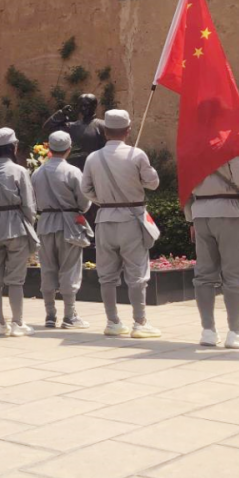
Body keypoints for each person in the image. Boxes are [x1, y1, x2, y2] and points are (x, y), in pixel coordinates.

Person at [81, 109, 161, 339]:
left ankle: (113, 322)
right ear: (128, 130)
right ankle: (140, 322)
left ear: (105, 131)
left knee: (106, 275)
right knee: (137, 274)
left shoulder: (93, 158)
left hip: (105, 219)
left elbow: (86, 189)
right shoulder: (137, 155)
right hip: (132, 218)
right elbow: (153, 183)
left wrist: (104, 201)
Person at [186, 156, 239, 349]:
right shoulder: (233, 147)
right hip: (231, 213)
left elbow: (184, 186)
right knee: (236, 274)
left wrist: (190, 218)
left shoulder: (191, 147)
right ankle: (236, 332)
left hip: (200, 213)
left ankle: (208, 331)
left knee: (204, 274)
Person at [31, 131, 91, 330]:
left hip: (45, 222)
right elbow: (84, 202)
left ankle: (50, 314)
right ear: (69, 149)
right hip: (69, 223)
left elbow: (33, 200)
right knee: (70, 269)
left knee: (47, 268)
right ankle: (69, 315)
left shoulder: (37, 173)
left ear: (49, 148)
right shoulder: (73, 172)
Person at [0, 127, 38, 337]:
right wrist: (29, 224)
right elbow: (29, 205)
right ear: (13, 147)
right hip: (15, 227)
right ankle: (17, 322)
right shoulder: (19, 171)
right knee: (16, 279)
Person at [43, 94, 106, 170]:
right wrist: (61, 114)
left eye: (86, 105)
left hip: (95, 169)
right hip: (74, 170)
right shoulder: (72, 126)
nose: (83, 108)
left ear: (94, 106)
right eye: (80, 106)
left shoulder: (102, 126)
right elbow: (47, 128)